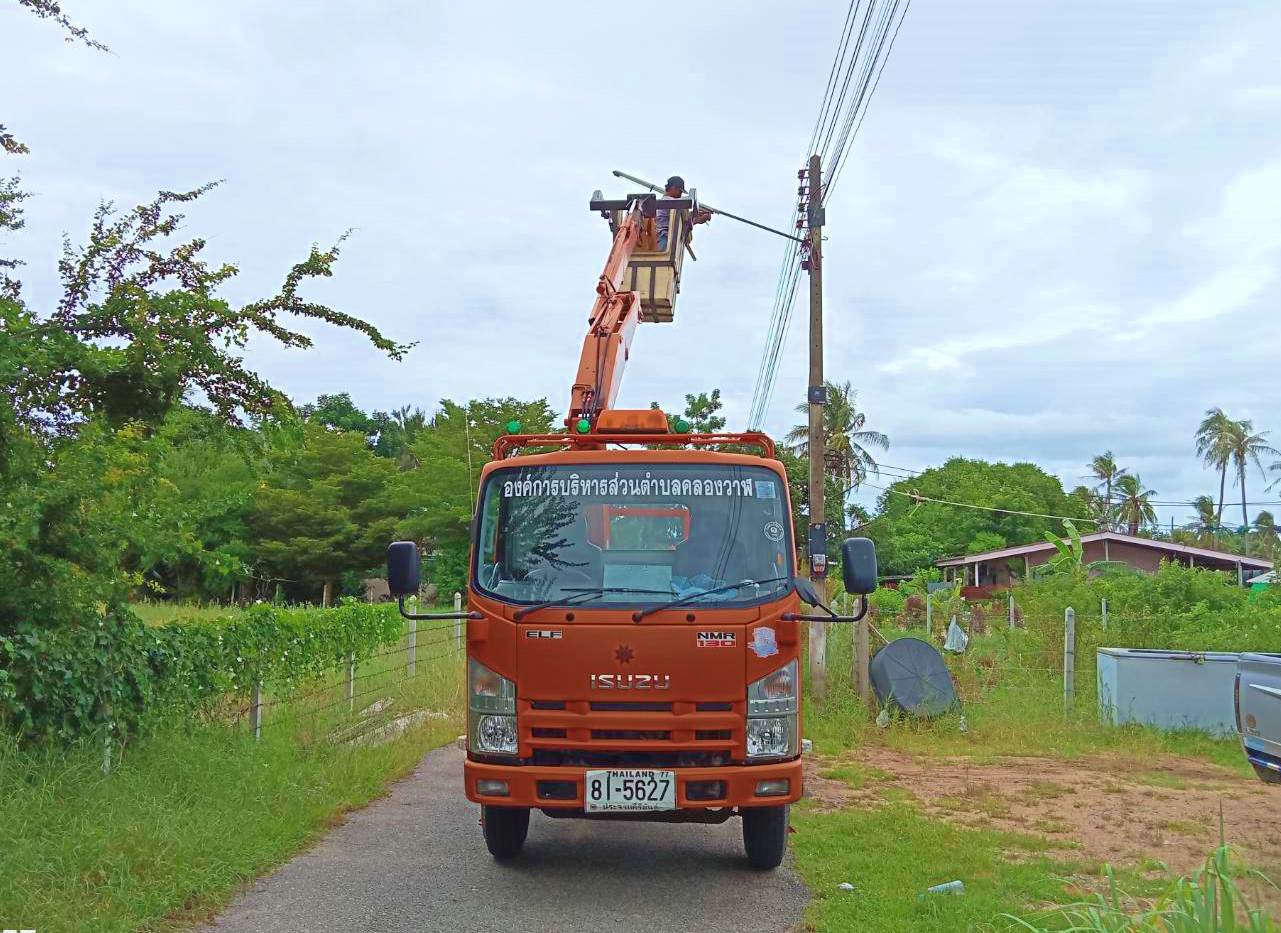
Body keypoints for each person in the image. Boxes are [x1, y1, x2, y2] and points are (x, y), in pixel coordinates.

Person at [655, 175, 711, 251]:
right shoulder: (667, 201)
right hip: (664, 238)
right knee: (661, 259)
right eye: (680, 191)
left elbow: (682, 222)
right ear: (673, 188)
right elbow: (683, 215)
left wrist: (697, 218)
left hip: (667, 238)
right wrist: (695, 212)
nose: (681, 194)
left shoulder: (671, 204)